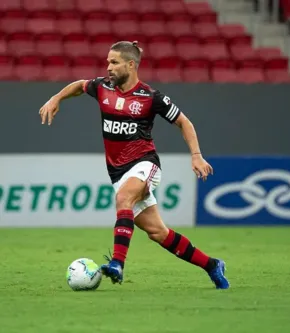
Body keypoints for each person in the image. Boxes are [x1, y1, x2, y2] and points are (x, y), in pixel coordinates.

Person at [39, 41, 229, 290]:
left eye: (114, 62)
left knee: (124, 199)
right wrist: (57, 98)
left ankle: (117, 263)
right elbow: (79, 86)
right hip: (117, 173)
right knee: (158, 233)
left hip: (144, 164)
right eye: (108, 62)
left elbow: (184, 122)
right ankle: (213, 265)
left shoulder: (151, 97)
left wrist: (196, 155)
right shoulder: (102, 87)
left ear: (131, 65)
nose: (108, 67)